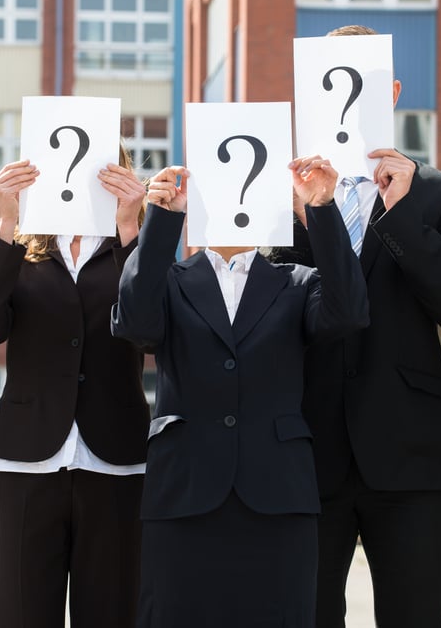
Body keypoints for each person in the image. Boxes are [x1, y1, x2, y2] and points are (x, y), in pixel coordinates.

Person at [268, 24, 441, 627]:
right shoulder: (278, 203)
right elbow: (270, 322)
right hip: (309, 450)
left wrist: (404, 215)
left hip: (411, 453)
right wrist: (306, 221)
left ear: (391, 90)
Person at [111, 156, 369, 627]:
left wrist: (322, 209)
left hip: (276, 494)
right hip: (185, 491)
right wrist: (164, 218)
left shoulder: (295, 281)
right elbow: (134, 322)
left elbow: (349, 311)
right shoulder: (169, 280)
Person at [0, 147, 149, 628]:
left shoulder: (137, 241)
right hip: (30, 452)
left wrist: (131, 232)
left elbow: (152, 331)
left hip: (114, 454)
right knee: (22, 612)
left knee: (111, 610)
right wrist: (7, 224)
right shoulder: (18, 245)